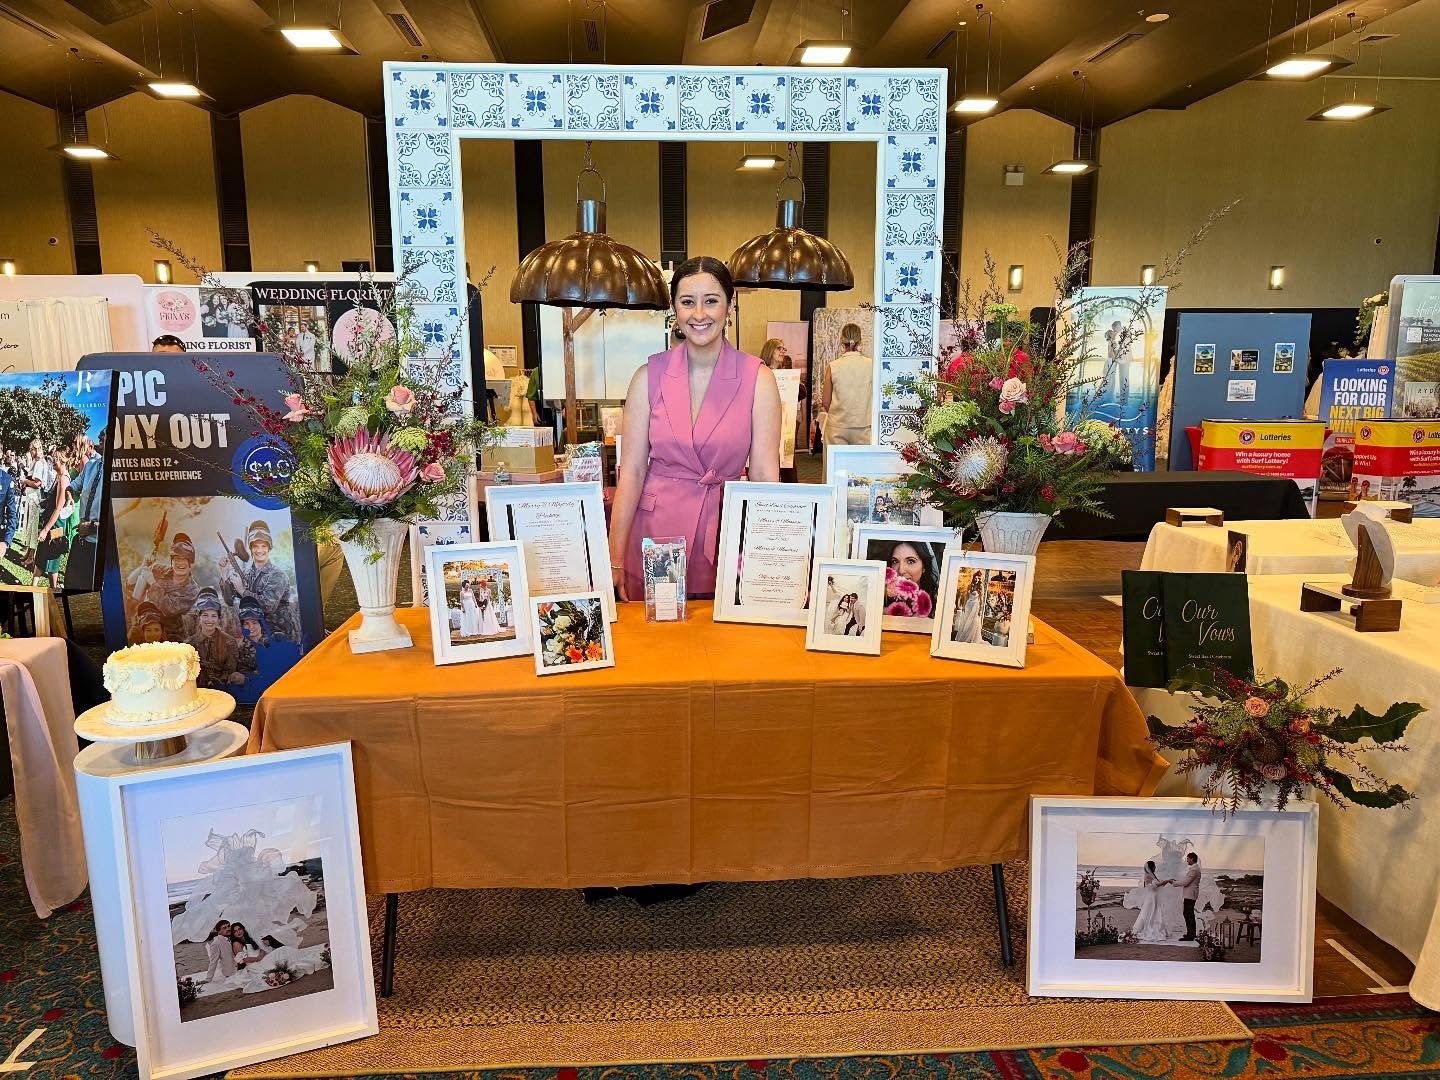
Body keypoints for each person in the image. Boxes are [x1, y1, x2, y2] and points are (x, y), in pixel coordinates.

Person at [609, 256, 782, 601]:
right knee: (653, 647)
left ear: (730, 305)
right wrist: (612, 558)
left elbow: (765, 474)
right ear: (675, 308)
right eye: (688, 302)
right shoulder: (647, 377)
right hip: (654, 538)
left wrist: (773, 559)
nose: (699, 314)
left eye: (711, 301)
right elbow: (630, 472)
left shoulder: (758, 379)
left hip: (723, 534)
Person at [220, 520, 299, 643]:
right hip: (256, 635)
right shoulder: (246, 574)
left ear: (269, 548)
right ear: (251, 549)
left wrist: (243, 590)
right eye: (256, 546)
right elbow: (229, 601)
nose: (260, 550)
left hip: (280, 635)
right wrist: (224, 574)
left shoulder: (278, 575)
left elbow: (269, 606)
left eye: (263, 546)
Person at [131, 533, 200, 640]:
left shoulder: (192, 590)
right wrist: (143, 565)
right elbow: (130, 584)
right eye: (177, 559)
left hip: (168, 637)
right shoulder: (158, 569)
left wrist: (153, 583)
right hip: (141, 630)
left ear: (192, 564)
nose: (180, 563)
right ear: (171, 560)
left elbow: (169, 609)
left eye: (185, 559)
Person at [821, 323, 873, 451]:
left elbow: (826, 402)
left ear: (841, 340)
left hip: (837, 426)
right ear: (859, 340)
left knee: (834, 469)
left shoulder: (833, 366)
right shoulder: (871, 365)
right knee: (862, 469)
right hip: (864, 426)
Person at [66, 434, 104, 587]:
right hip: (81, 542)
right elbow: (72, 486)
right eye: (101, 435)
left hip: (98, 549)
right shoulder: (90, 466)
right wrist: (69, 495)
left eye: (106, 433)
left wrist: (92, 527)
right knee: (70, 587)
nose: (101, 435)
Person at [189, 586, 242, 688]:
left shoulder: (230, 642)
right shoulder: (189, 644)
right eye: (205, 615)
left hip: (223, 690)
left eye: (214, 616)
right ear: (199, 617)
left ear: (218, 619)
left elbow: (229, 671)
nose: (209, 620)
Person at [876, 540, 940, 618]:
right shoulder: (879, 598)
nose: (901, 570)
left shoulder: (939, 604)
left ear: (924, 567)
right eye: (895, 561)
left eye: (910, 561)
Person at [1133, 860, 1169, 943]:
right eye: (1154, 866)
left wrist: (1166, 882)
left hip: (1155, 897)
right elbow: (1153, 886)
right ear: (1151, 867)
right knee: (1150, 912)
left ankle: (1156, 927)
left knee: (1155, 912)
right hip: (1151, 897)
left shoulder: (1153, 875)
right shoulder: (1148, 876)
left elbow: (1159, 884)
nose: (1155, 867)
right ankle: (1149, 929)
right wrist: (1166, 881)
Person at [1177, 851, 1202, 941]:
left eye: (1187, 858)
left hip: (1190, 895)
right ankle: (1190, 933)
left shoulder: (1194, 869)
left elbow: (1186, 882)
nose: (1186, 860)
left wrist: (1174, 882)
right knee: (1188, 914)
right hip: (1190, 894)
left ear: (1192, 858)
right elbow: (1186, 880)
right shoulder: (1194, 868)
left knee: (1188, 914)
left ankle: (1191, 935)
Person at [952, 570, 983, 644]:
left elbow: (981, 599)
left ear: (979, 579)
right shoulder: (970, 585)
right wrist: (964, 606)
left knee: (973, 621)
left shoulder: (980, 587)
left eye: (978, 578)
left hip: (975, 606)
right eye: (975, 578)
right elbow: (966, 597)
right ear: (973, 578)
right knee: (966, 621)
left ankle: (971, 638)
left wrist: (980, 610)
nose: (976, 580)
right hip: (969, 605)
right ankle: (964, 636)